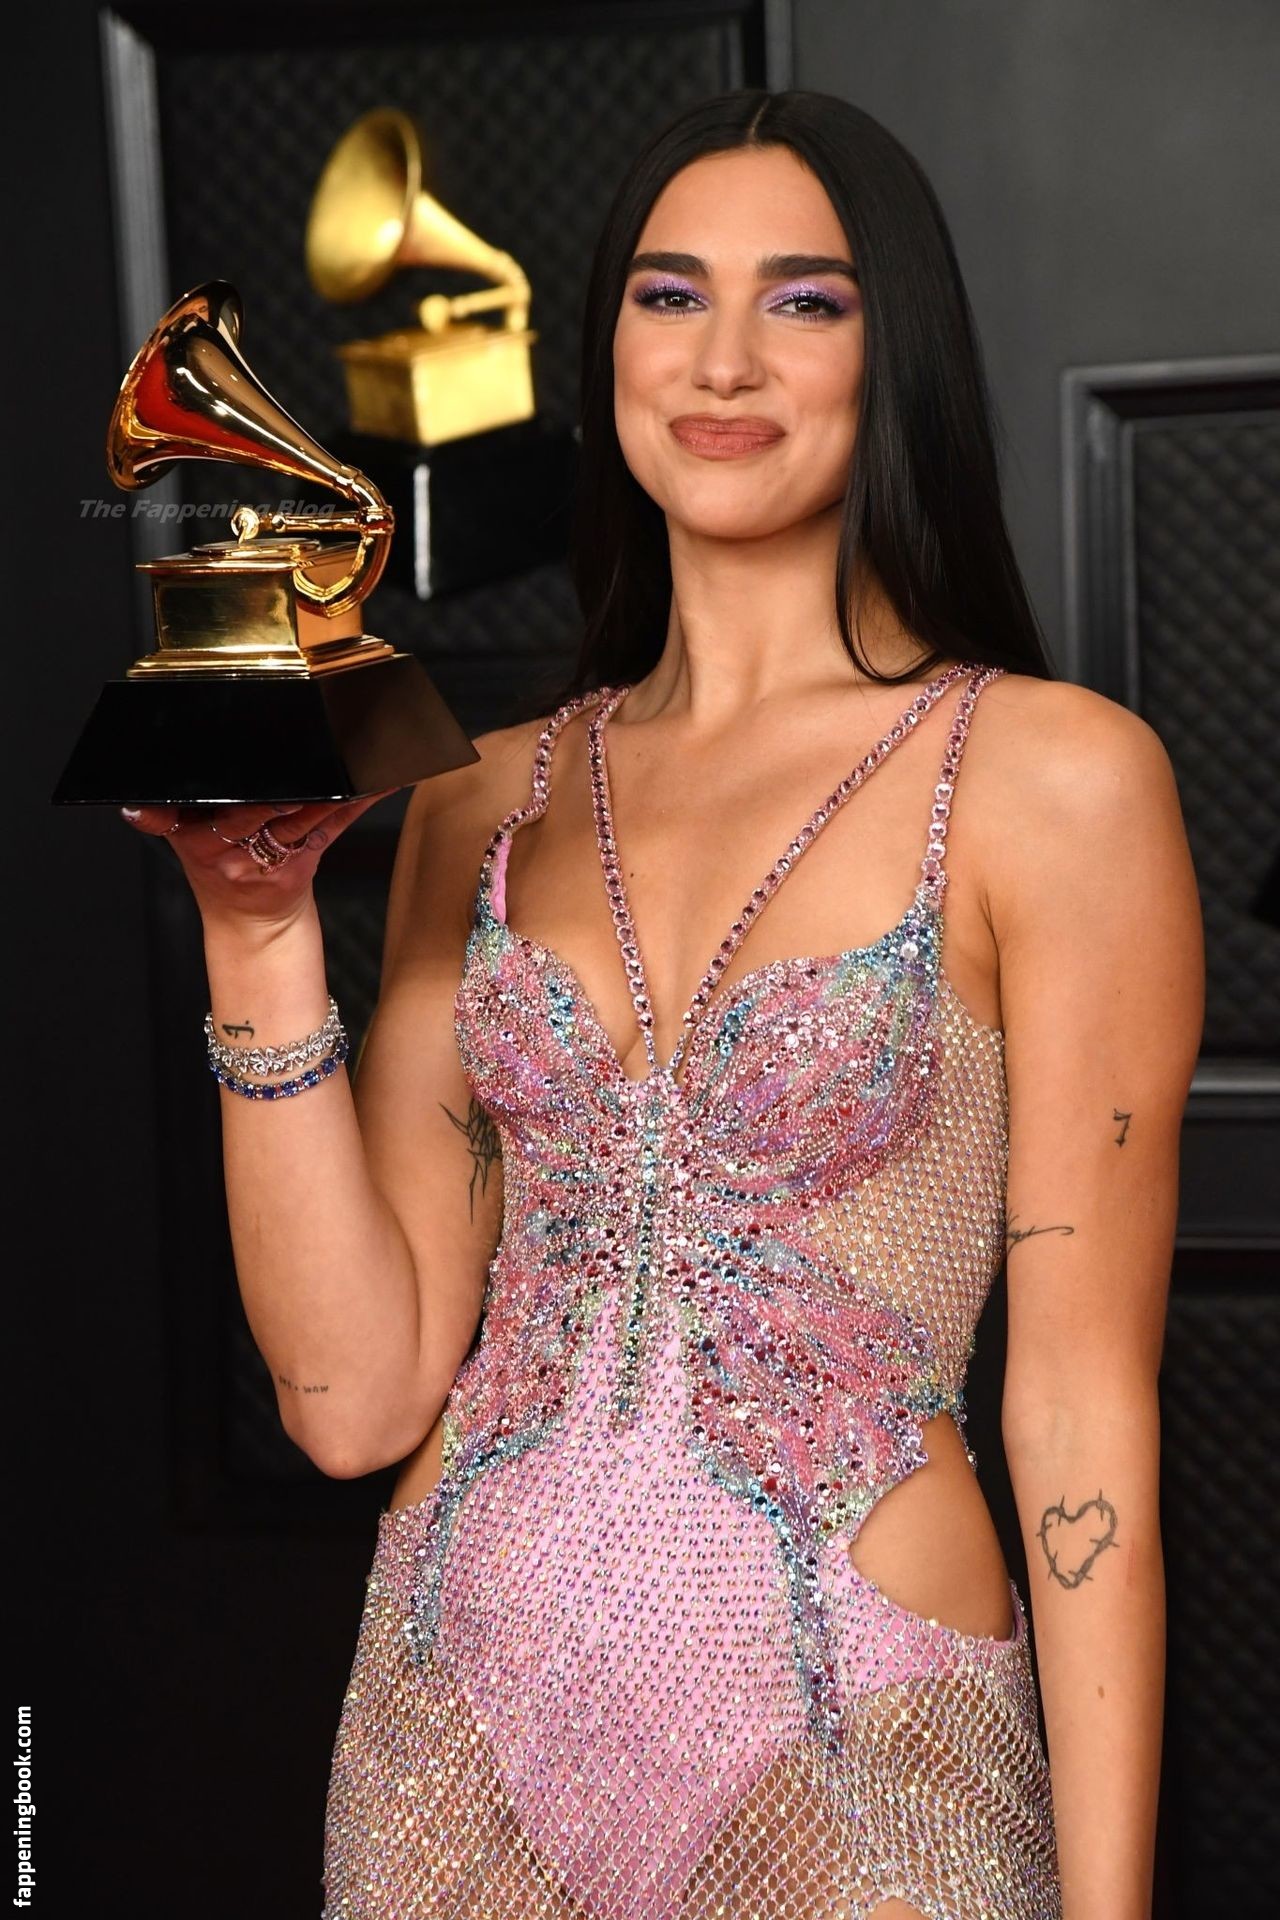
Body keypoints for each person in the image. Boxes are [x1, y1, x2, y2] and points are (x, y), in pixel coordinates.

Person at [124, 89, 1203, 1920]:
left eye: (805, 300)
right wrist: (255, 929)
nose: (723, 359)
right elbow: (351, 1398)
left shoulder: (1054, 779)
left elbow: (1082, 1412)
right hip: (452, 1758)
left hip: (861, 1750)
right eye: (668, 293)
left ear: (897, 355)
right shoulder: (484, 793)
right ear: (606, 346)